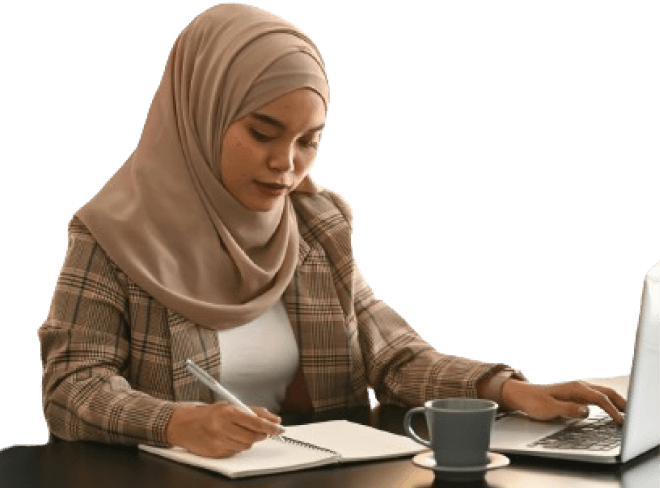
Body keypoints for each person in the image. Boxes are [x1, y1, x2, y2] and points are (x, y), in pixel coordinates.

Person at [38, 3, 626, 459]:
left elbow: (391, 356)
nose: (287, 165)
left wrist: (507, 389)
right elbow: (72, 387)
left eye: (308, 141)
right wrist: (174, 422)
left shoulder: (317, 223)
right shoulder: (110, 236)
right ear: (201, 111)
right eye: (263, 133)